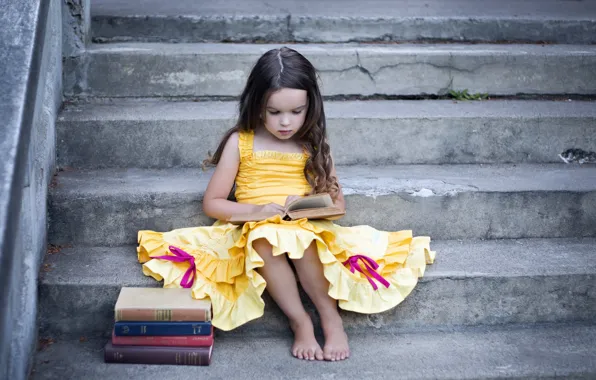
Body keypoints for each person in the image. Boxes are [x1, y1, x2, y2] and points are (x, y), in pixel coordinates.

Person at [137, 47, 435, 362]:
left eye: (296, 112)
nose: (285, 122)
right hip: (253, 226)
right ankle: (300, 320)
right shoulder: (242, 142)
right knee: (265, 238)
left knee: (303, 240)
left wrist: (306, 205)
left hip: (303, 225)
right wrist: (256, 212)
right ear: (257, 106)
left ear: (311, 106)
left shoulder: (313, 144)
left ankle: (329, 317)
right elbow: (213, 202)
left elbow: (337, 205)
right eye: (274, 111)